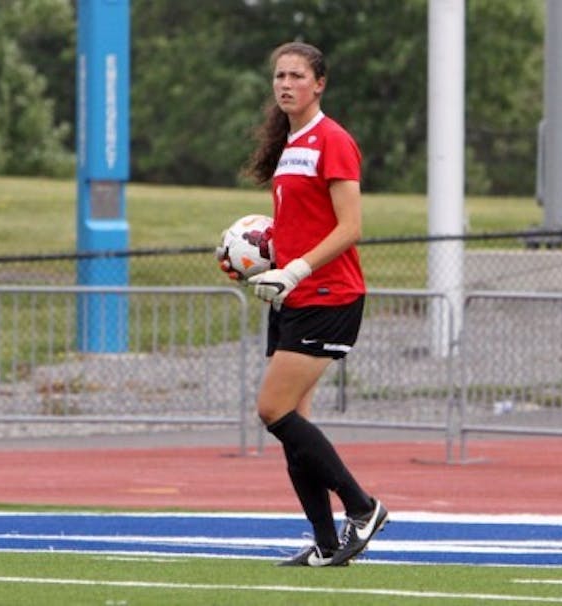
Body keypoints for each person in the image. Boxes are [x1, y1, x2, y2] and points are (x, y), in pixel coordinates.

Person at [218, 41, 387, 567]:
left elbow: (351, 228)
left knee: (271, 410)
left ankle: (363, 508)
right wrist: (267, 258)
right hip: (294, 297)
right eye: (279, 76)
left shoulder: (333, 140)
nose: (285, 83)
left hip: (329, 295)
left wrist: (295, 268)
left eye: (296, 75)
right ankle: (327, 542)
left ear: (320, 84)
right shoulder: (292, 143)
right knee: (295, 424)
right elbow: (300, 223)